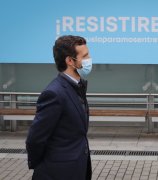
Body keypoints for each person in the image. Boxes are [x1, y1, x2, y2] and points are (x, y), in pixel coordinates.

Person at [26, 35, 93, 180]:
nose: (89, 59)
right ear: (70, 61)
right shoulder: (54, 93)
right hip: (57, 172)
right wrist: (43, 165)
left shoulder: (77, 87)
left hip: (77, 169)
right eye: (85, 56)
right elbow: (35, 139)